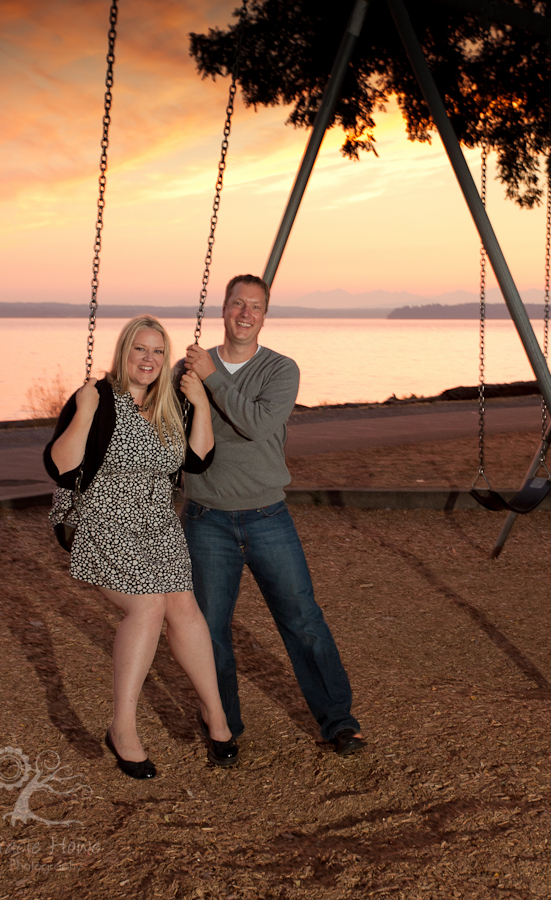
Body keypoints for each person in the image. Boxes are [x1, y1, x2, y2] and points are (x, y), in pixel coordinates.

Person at [44, 315, 238, 778]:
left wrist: (202, 405)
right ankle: (123, 729)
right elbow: (61, 467)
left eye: (157, 352)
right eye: (139, 350)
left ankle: (216, 716)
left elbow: (198, 459)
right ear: (124, 353)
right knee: (148, 607)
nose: (148, 360)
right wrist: (86, 410)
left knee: (185, 609)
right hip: (102, 517)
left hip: (156, 521)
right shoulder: (97, 397)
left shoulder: (171, 401)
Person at [180, 276, 366, 756]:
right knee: (211, 630)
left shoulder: (281, 370)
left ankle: (338, 722)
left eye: (256, 307)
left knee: (303, 620)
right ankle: (223, 728)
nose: (245, 313)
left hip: (267, 516)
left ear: (265, 316)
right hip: (206, 518)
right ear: (223, 308)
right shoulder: (189, 372)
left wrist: (212, 379)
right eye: (237, 303)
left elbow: (258, 424)